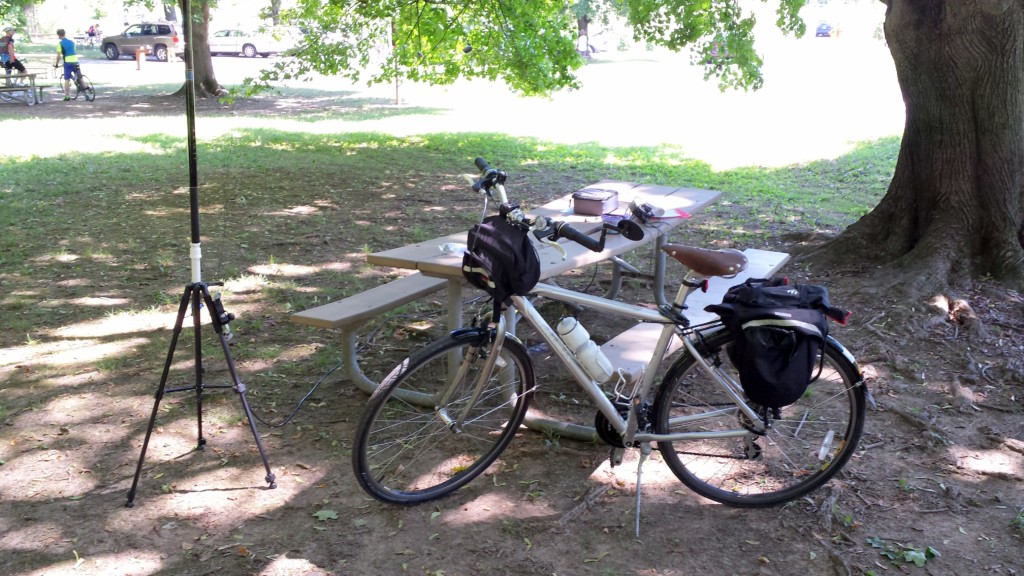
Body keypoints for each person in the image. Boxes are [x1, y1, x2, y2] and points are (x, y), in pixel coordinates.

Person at [54, 28, 80, 101]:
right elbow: (73, 51)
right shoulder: (72, 42)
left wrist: (56, 64)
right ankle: (87, 88)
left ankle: (67, 96)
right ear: (64, 34)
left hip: (67, 62)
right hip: (75, 61)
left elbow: (58, 56)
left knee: (66, 79)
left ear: (58, 35)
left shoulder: (60, 44)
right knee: (80, 76)